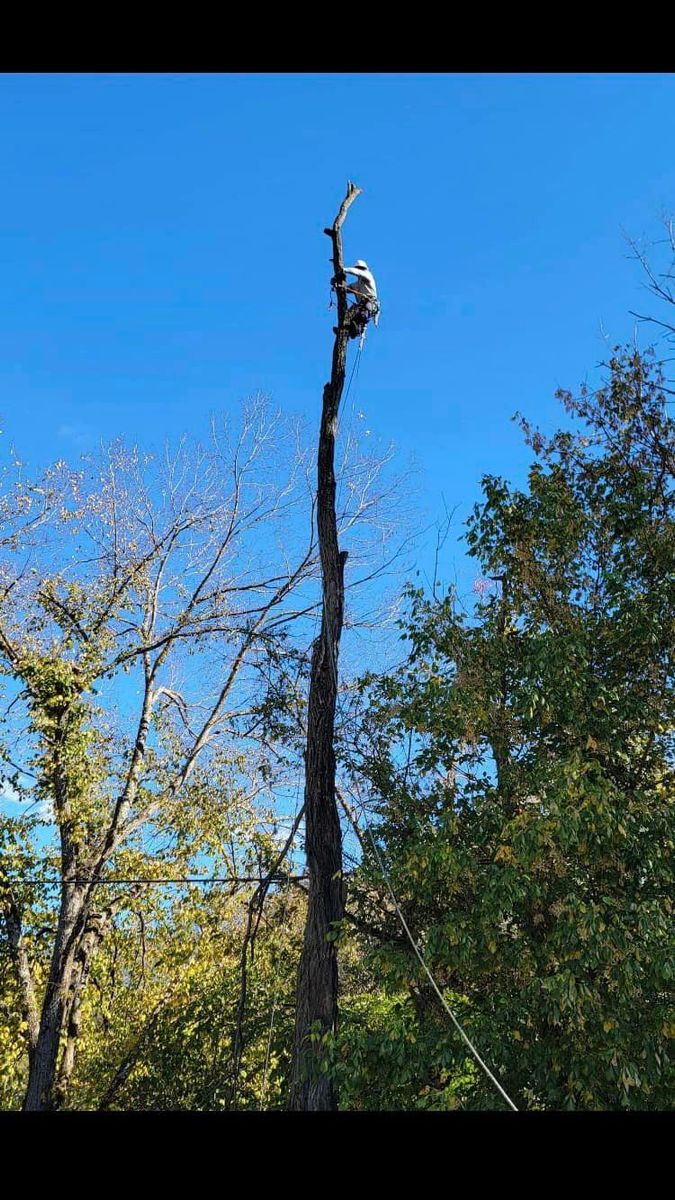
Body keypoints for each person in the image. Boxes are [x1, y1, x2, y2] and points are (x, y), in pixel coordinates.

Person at [333, 259, 380, 339]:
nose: (360, 271)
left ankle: (356, 330)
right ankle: (345, 331)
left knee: (361, 315)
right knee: (348, 316)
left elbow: (356, 272)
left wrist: (343, 270)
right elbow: (345, 289)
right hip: (361, 306)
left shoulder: (368, 276)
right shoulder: (357, 285)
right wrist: (336, 285)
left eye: (361, 269)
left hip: (370, 304)